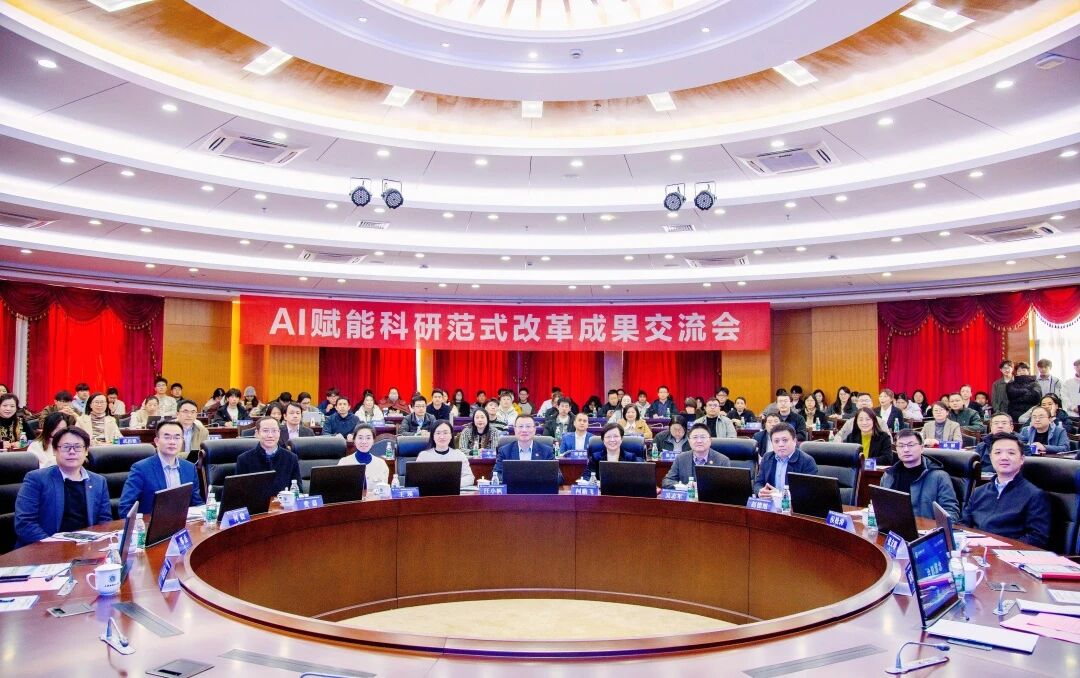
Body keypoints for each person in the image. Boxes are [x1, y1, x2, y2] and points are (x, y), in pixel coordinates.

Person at [14, 427, 112, 547]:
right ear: (55, 450)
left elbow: (104, 521)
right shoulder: (36, 479)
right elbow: (25, 523)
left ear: (86, 451)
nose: (72, 452)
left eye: (78, 447)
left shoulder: (99, 482)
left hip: (85, 549)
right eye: (66, 447)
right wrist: (55, 547)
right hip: (44, 549)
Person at [961, 432, 1050, 549]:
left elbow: (1037, 538)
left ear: (1022, 459)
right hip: (975, 551)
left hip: (1010, 554)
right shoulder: (978, 492)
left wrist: (999, 548)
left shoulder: (1035, 495)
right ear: (991, 458)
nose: (1004, 457)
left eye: (1011, 453)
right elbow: (963, 525)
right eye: (998, 453)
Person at [119, 420, 204, 516]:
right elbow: (125, 508)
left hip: (184, 523)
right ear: (157, 441)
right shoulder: (141, 469)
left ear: (182, 441)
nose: (172, 442)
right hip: (151, 524)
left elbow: (197, 503)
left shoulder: (189, 468)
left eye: (177, 437)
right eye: (167, 437)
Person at [880, 429, 960, 520]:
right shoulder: (888, 476)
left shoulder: (939, 477)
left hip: (927, 528)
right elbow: (881, 507)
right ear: (896, 449)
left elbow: (951, 512)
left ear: (922, 448)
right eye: (901, 446)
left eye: (911, 445)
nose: (906, 450)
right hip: (893, 527)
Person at [235, 416, 302, 494]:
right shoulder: (244, 459)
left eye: (274, 431)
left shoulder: (291, 458)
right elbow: (238, 493)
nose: (270, 435)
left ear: (279, 432)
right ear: (257, 433)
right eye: (265, 431)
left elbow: (298, 491)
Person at [754, 423, 819, 498]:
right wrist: (760, 492)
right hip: (770, 503)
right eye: (776, 441)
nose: (781, 444)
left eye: (785, 440)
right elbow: (758, 483)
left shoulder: (807, 461)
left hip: (793, 504)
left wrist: (780, 495)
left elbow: (808, 492)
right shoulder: (767, 457)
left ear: (794, 441)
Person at [661, 423, 732, 488]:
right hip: (688, 497)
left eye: (703, 437)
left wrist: (704, 487)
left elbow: (727, 486)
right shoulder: (681, 458)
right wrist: (682, 487)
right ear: (689, 441)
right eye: (695, 437)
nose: (699, 441)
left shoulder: (722, 461)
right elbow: (667, 481)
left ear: (710, 440)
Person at [493, 417, 560, 483]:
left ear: (534, 430)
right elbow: (496, 475)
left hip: (538, 489)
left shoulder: (546, 451)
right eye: (520, 426)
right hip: (513, 489)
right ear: (515, 430)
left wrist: (532, 480)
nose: (524, 430)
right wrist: (521, 480)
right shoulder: (505, 451)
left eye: (528, 426)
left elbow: (558, 477)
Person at [416, 421, 474, 489]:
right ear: (433, 436)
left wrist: (452, 484)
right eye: (438, 433)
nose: (442, 437)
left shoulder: (459, 455)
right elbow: (416, 479)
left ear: (451, 435)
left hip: (453, 492)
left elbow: (469, 477)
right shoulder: (423, 456)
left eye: (445, 433)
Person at [337, 424, 390, 490]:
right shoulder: (344, 462)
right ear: (354, 440)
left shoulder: (381, 464)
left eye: (368, 438)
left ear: (373, 441)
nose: (364, 442)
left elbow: (384, 492)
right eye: (360, 438)